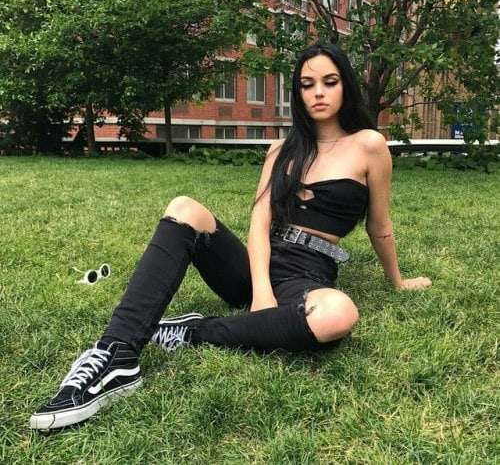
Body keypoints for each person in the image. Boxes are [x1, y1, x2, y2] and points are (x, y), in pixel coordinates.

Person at [29, 42, 431, 431]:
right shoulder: (282, 150)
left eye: (330, 81)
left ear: (346, 85)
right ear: (297, 93)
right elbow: (260, 221)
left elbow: (379, 225)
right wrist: (261, 292)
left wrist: (398, 281)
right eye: (307, 85)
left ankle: (190, 331)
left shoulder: (368, 146)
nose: (319, 93)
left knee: (339, 314)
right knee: (184, 207)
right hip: (253, 266)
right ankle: (115, 355)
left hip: (306, 274)